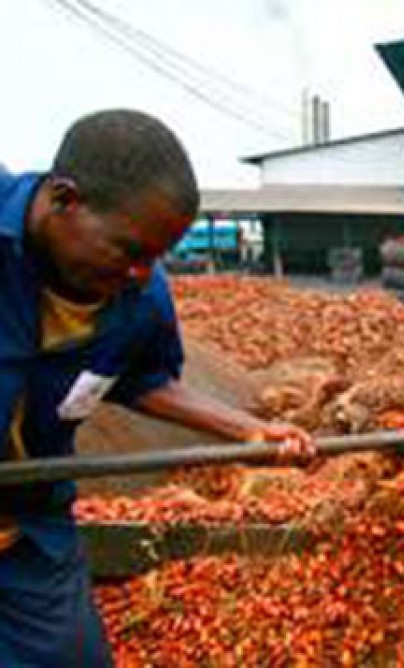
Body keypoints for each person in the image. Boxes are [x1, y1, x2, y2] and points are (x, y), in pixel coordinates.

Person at [0, 109, 315, 666]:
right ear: (65, 200)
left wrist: (248, 428)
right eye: (131, 250)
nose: (145, 273)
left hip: (26, 516)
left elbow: (142, 380)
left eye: (157, 256)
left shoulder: (139, 300)